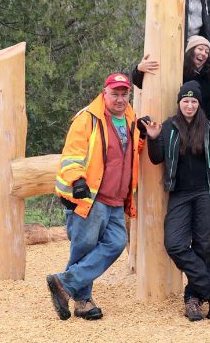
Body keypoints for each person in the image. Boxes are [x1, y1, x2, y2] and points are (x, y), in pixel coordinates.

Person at [47, 72, 145, 321]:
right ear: (105, 93)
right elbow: (72, 154)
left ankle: (65, 283)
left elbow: (129, 153)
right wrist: (77, 180)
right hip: (90, 197)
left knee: (116, 242)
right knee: (84, 248)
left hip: (116, 199)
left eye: (124, 94)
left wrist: (145, 136)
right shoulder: (87, 118)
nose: (120, 99)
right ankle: (82, 302)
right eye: (115, 94)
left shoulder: (131, 119)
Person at [143, 81, 210, 321]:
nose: (189, 105)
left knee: (204, 247)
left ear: (199, 105)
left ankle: (193, 299)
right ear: (179, 103)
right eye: (185, 101)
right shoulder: (168, 127)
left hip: (208, 193)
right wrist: (153, 138)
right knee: (175, 243)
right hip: (179, 193)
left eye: (194, 101)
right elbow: (157, 158)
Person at [132, 35, 210, 121]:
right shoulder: (176, 69)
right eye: (200, 49)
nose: (204, 53)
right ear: (190, 51)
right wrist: (139, 70)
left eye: (207, 51)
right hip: (179, 124)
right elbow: (142, 83)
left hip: (206, 123)